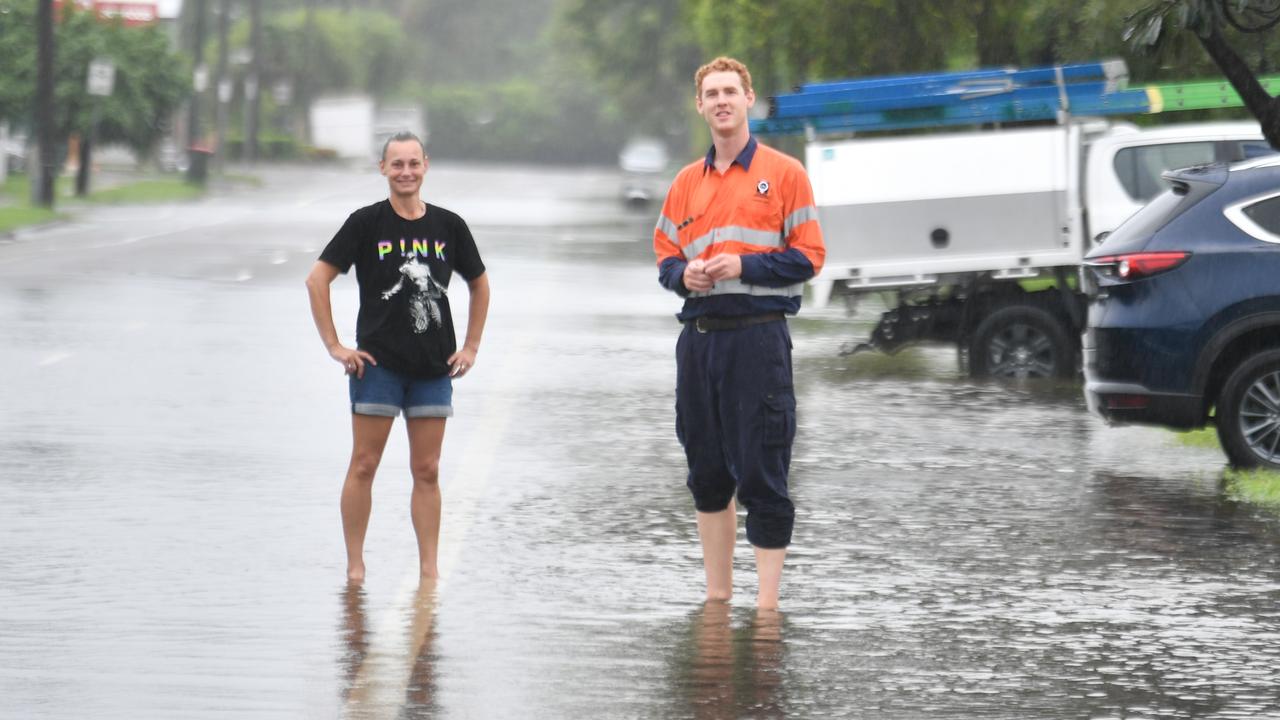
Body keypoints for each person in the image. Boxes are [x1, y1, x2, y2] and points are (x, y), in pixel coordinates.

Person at [653, 57, 825, 609]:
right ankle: (717, 599)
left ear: (749, 99)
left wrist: (742, 267)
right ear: (699, 106)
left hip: (758, 339)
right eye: (711, 93)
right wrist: (688, 274)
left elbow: (809, 258)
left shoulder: (786, 172)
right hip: (699, 340)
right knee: (705, 469)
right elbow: (664, 261)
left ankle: (768, 609)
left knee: (762, 470)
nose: (721, 100)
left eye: (731, 91)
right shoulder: (685, 183)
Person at [306, 131, 490, 584]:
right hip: (377, 367)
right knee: (364, 464)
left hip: (433, 369)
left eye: (413, 163)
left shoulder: (449, 226)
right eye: (397, 164)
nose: (405, 172)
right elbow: (317, 280)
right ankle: (355, 566)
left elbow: (479, 283)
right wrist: (335, 346)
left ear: (426, 165)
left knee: (427, 469)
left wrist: (470, 346)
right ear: (383, 169)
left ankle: (429, 568)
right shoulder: (366, 223)